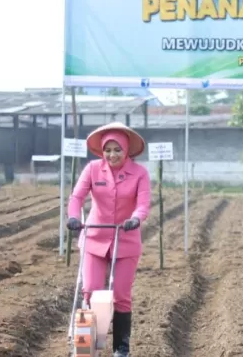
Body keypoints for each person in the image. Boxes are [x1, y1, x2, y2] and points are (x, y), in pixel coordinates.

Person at [66, 122, 151, 357]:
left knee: (121, 295)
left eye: (117, 150)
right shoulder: (93, 169)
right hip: (94, 237)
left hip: (125, 240)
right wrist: (73, 217)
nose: (112, 155)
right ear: (102, 151)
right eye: (108, 150)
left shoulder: (139, 173)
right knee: (90, 290)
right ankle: (83, 346)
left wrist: (136, 218)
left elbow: (143, 204)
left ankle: (121, 348)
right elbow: (76, 197)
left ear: (126, 150)